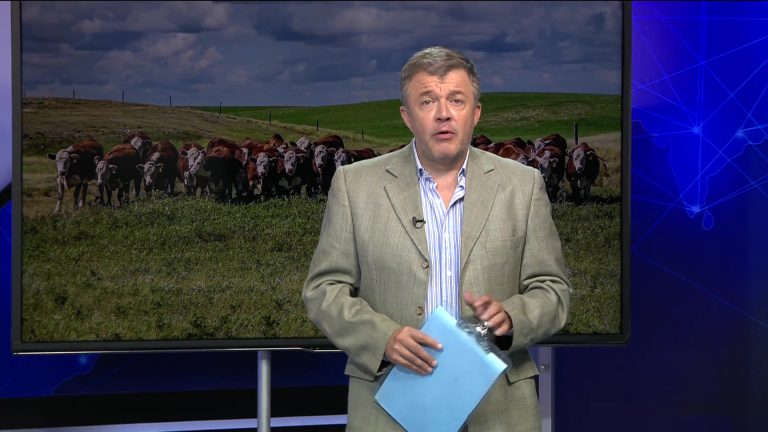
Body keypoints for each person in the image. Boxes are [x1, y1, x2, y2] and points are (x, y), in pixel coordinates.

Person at [302, 46, 571, 432]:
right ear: (407, 116)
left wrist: (513, 317)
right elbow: (323, 289)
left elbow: (553, 290)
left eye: (456, 100)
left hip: (499, 410)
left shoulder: (522, 185)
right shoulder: (354, 184)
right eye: (427, 101)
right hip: (389, 405)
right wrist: (384, 339)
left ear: (475, 113)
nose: (443, 113)